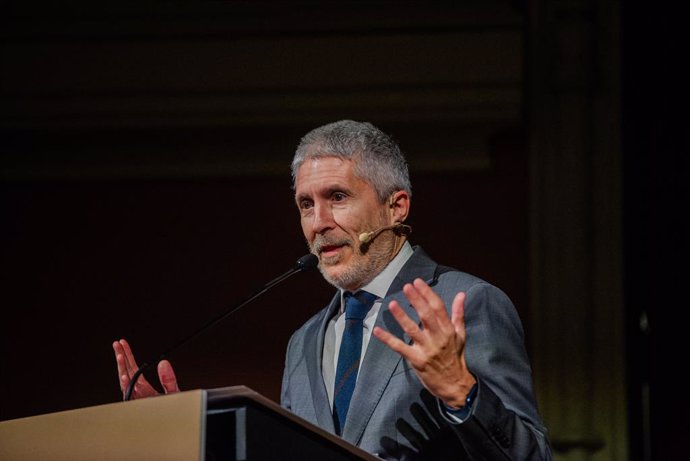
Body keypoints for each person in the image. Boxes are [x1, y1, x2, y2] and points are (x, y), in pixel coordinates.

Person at [114, 120, 552, 460]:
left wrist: (463, 392)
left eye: (337, 197)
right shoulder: (303, 343)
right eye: (306, 204)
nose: (318, 223)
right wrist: (189, 438)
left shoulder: (466, 303)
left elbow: (530, 456)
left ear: (395, 206)